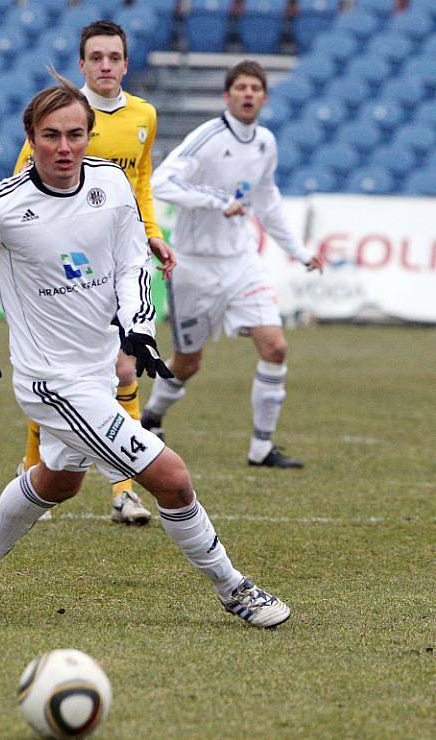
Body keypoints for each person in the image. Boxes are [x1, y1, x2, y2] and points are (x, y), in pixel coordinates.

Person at [0, 74, 291, 629]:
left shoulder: (110, 185)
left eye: (76, 135)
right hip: (52, 381)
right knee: (171, 477)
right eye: (50, 136)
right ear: (30, 137)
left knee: (59, 481)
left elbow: (132, 260)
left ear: (89, 134)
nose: (64, 148)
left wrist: (140, 328)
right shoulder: (0, 204)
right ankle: (234, 588)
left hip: (100, 367)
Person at [13, 20, 175, 525]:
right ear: (81, 65)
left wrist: (151, 231)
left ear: (126, 64)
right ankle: (35, 468)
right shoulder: (63, 114)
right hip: (65, 264)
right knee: (61, 371)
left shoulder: (144, 115)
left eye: (114, 57)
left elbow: (141, 180)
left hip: (119, 258)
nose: (106, 65)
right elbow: (23, 178)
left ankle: (123, 490)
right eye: (96, 57)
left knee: (124, 368)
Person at [141, 60, 324, 469]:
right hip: (195, 265)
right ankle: (151, 416)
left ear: (264, 97)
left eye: (255, 88)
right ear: (227, 95)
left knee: (276, 347)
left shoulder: (265, 143)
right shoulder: (207, 137)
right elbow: (161, 182)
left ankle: (261, 447)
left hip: (242, 263)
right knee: (188, 362)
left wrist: (298, 250)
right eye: (240, 87)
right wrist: (217, 201)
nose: (247, 94)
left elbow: (267, 200)